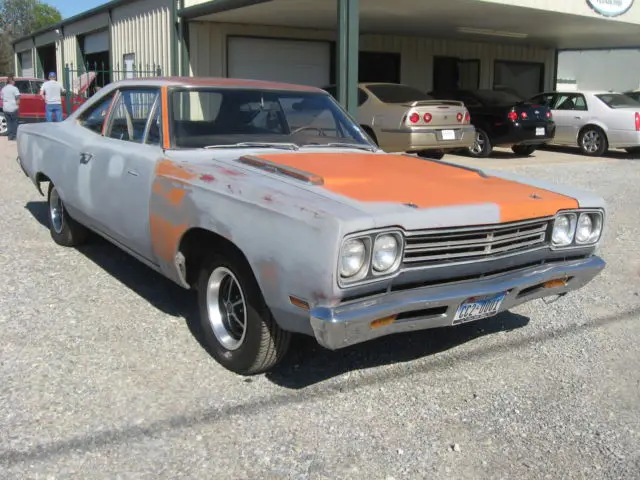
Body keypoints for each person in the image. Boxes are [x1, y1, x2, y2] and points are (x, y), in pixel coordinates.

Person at [1, 75, 21, 140]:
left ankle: (10, 136)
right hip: (13, 108)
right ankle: (15, 136)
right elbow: (18, 98)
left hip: (5, 108)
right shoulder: (14, 88)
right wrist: (18, 105)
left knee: (9, 123)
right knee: (14, 122)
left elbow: (1, 98)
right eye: (14, 80)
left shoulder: (3, 89)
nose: (14, 82)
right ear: (11, 81)